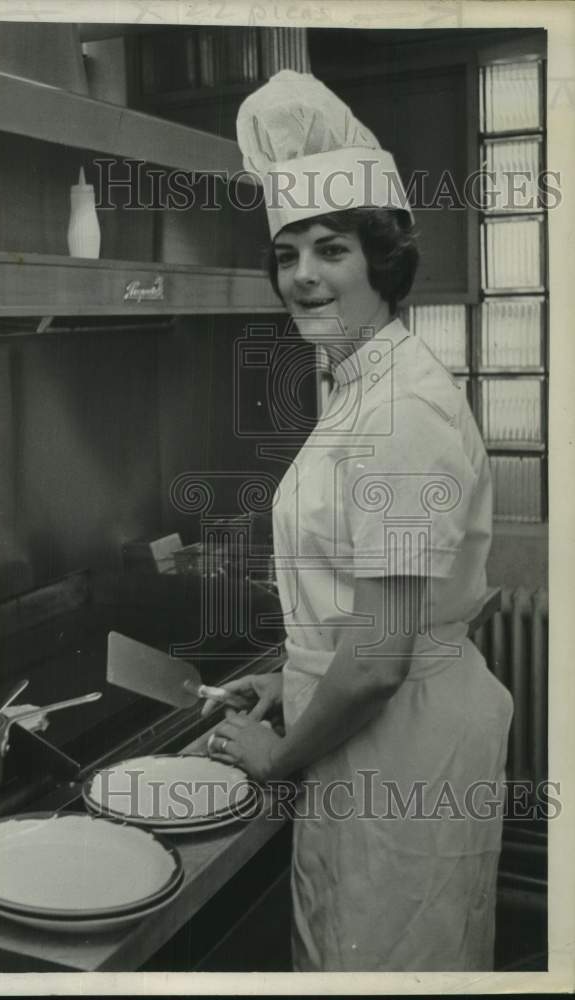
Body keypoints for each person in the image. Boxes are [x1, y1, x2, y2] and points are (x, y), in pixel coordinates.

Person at [203, 71, 514, 972]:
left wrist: (275, 754)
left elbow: (378, 661)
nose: (301, 275)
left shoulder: (401, 410)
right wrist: (295, 680)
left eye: (330, 249)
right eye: (286, 253)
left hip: (402, 744)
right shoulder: (360, 382)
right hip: (364, 727)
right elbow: (360, 618)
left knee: (387, 956)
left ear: (379, 260)